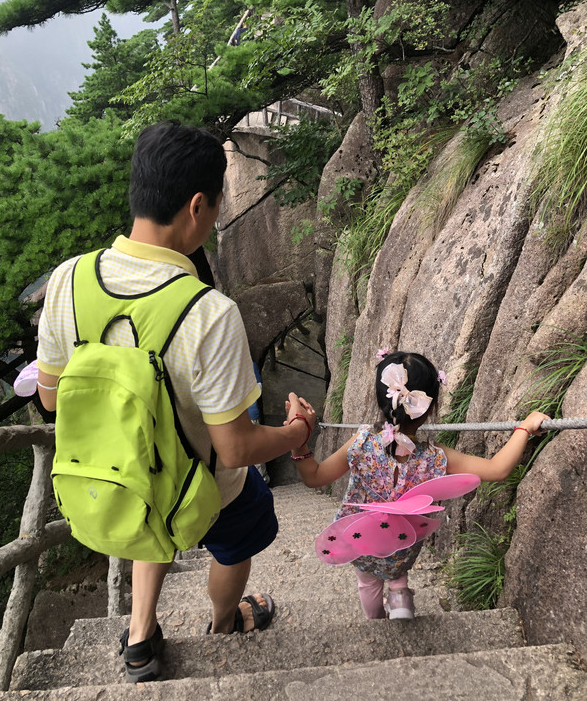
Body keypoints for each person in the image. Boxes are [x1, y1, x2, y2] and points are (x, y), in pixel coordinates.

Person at [36, 121, 316, 682]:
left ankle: (141, 635)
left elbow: (49, 398)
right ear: (196, 206)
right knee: (236, 536)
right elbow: (235, 449)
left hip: (121, 476)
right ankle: (225, 623)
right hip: (203, 489)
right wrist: (297, 433)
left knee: (152, 497)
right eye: (216, 206)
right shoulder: (208, 313)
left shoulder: (67, 281)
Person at [289, 349, 548, 621]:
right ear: (430, 408)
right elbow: (497, 469)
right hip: (404, 542)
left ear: (380, 400)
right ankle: (400, 597)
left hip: (361, 538)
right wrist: (524, 428)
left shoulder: (361, 443)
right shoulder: (436, 457)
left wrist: (298, 438)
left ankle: (376, 621)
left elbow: (314, 476)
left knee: (367, 582)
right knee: (397, 566)